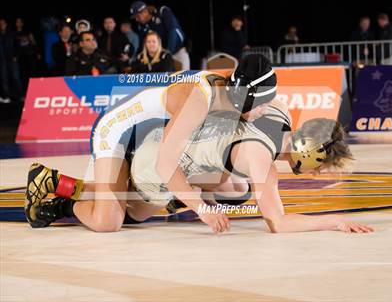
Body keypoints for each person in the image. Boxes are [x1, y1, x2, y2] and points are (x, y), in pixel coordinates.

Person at [25, 99, 373, 234]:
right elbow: (278, 223)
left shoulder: (276, 111)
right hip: (155, 163)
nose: (314, 174)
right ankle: (62, 193)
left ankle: (62, 190)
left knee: (140, 215)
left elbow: (250, 91)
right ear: (309, 153)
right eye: (319, 166)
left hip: (159, 143)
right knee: (109, 221)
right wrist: (335, 221)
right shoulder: (261, 160)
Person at [24, 54, 279, 232]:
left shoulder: (228, 98)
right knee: (108, 221)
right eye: (263, 103)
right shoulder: (200, 99)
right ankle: (64, 203)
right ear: (248, 98)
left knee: (234, 187)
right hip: (118, 132)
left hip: (148, 137)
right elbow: (165, 164)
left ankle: (57, 183)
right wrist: (201, 209)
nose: (264, 110)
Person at [130, 1, 190, 70]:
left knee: (185, 78)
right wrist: (134, 60)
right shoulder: (141, 26)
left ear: (145, 11)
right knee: (162, 78)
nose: (136, 19)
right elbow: (143, 44)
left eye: (137, 16)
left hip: (178, 51)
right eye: (135, 17)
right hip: (160, 56)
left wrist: (168, 53)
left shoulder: (162, 12)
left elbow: (174, 31)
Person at [0, 18, 22, 103]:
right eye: (0, 23)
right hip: (2, 61)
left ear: (6, 24)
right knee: (4, 79)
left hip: (11, 59)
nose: (1, 25)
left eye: (3, 23)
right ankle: (6, 97)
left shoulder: (11, 33)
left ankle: (20, 96)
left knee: (16, 77)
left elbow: (18, 45)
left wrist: (16, 56)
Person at [15, 17, 39, 91]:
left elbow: (33, 42)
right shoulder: (14, 33)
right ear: (15, 23)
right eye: (17, 22)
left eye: (20, 21)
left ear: (22, 23)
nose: (19, 23)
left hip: (30, 55)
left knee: (32, 74)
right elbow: (13, 45)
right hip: (21, 57)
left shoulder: (27, 31)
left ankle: (35, 90)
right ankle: (26, 92)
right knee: (23, 75)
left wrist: (37, 52)